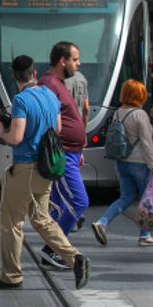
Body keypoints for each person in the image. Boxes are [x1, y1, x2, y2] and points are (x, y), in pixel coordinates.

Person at [0, 55, 90, 290]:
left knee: (11, 222)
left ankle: (11, 276)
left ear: (14, 77)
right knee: (42, 220)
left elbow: (16, 137)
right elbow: (59, 128)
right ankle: (76, 258)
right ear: (34, 73)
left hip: (25, 168)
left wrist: (1, 131)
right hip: (45, 168)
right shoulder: (51, 96)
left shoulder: (21, 100)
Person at [37, 42, 89, 269]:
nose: (78, 64)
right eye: (75, 59)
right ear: (63, 61)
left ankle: (52, 249)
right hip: (62, 154)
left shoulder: (59, 83)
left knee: (58, 204)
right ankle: (52, 249)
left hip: (71, 153)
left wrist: (80, 150)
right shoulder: (49, 84)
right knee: (79, 201)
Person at [91, 80, 153, 247]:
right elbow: (146, 141)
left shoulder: (117, 113)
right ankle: (145, 235)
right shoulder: (140, 114)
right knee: (147, 199)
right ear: (140, 95)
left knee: (126, 196)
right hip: (139, 162)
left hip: (121, 161)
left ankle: (102, 222)